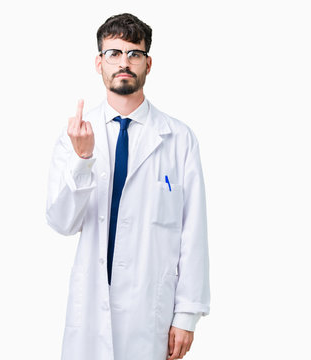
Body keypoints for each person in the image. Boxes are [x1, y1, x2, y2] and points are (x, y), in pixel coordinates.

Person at [46, 13, 210, 360]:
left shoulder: (178, 139)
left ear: (148, 64)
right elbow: (62, 222)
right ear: (99, 62)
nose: (124, 63)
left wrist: (187, 314)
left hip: (149, 313)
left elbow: (193, 231)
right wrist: (82, 160)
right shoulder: (76, 133)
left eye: (134, 54)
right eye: (114, 53)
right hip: (90, 310)